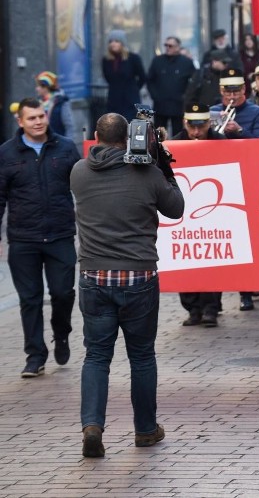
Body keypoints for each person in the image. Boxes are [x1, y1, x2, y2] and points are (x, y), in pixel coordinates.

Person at [71, 111, 184, 458]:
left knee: (96, 356)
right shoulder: (148, 174)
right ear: (130, 139)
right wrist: (163, 163)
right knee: (142, 357)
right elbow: (176, 208)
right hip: (138, 277)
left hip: (94, 276)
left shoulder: (78, 172)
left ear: (94, 136)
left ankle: (93, 425)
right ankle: (145, 430)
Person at [0, 97, 80, 378]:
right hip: (23, 238)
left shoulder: (67, 148)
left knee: (62, 293)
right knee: (29, 299)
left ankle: (62, 333)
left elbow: (84, 187)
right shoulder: (6, 154)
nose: (37, 122)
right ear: (20, 121)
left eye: (41, 116)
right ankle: (35, 355)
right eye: (31, 118)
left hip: (60, 235)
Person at [210, 69, 259, 311]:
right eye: (227, 92)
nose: (232, 96)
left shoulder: (256, 112)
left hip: (247, 180)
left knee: (245, 242)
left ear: (245, 90)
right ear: (221, 92)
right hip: (219, 180)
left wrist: (240, 132)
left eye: (236, 91)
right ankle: (214, 300)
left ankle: (246, 294)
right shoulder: (212, 111)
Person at [173, 103, 226, 326]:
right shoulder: (174, 143)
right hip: (183, 210)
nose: (196, 132)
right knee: (185, 259)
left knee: (212, 260)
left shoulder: (220, 142)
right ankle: (192, 308)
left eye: (201, 127)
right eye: (192, 127)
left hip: (213, 208)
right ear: (185, 123)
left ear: (209, 123)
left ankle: (211, 308)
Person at [147, 36, 196, 136]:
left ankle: (177, 152)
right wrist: (155, 96)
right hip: (161, 104)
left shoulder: (186, 62)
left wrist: (186, 97)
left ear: (178, 47)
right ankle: (159, 151)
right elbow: (150, 80)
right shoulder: (157, 61)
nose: (168, 48)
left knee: (178, 134)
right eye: (166, 45)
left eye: (171, 45)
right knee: (159, 135)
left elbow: (194, 82)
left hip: (179, 105)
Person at [102, 29, 146, 122]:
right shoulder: (106, 60)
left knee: (131, 126)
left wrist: (134, 89)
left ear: (123, 43)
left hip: (130, 101)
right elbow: (107, 78)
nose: (113, 44)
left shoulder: (133, 58)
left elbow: (143, 77)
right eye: (111, 41)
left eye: (116, 41)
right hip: (113, 100)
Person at [34, 71, 74, 138]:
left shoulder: (61, 101)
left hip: (59, 143)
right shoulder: (39, 102)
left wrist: (68, 144)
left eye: (38, 86)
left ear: (45, 87)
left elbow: (69, 126)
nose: (36, 89)